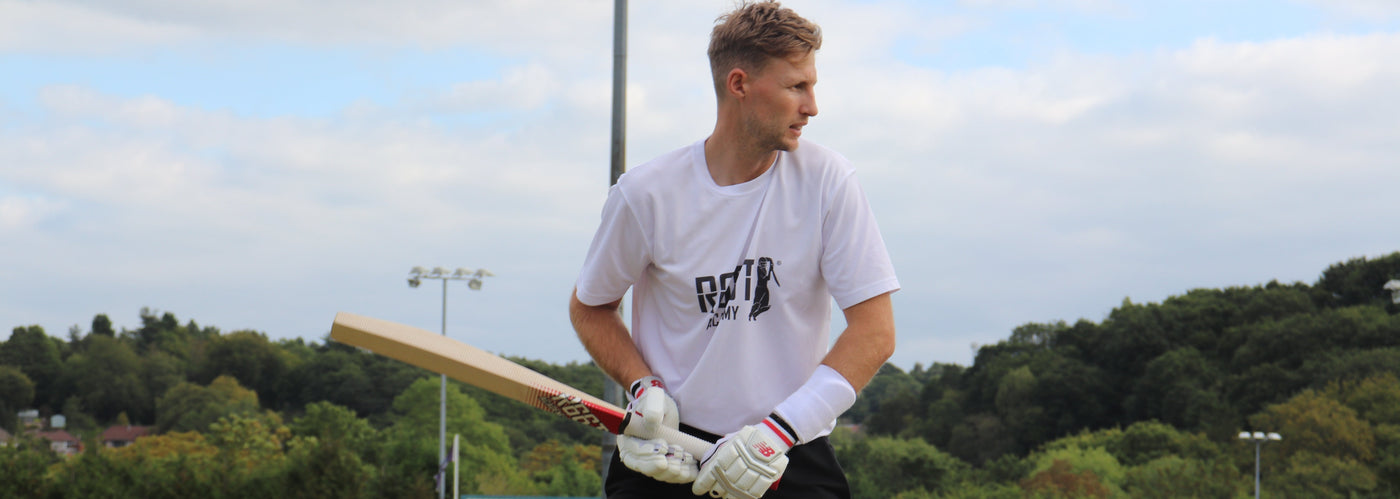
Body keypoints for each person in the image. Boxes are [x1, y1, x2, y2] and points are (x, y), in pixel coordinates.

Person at [568, 2, 898, 498]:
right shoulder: (646, 194)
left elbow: (875, 333)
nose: (812, 106)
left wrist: (775, 435)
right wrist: (643, 387)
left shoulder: (828, 181)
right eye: (796, 87)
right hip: (667, 455)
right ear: (739, 84)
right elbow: (590, 307)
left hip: (789, 450)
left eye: (812, 86)